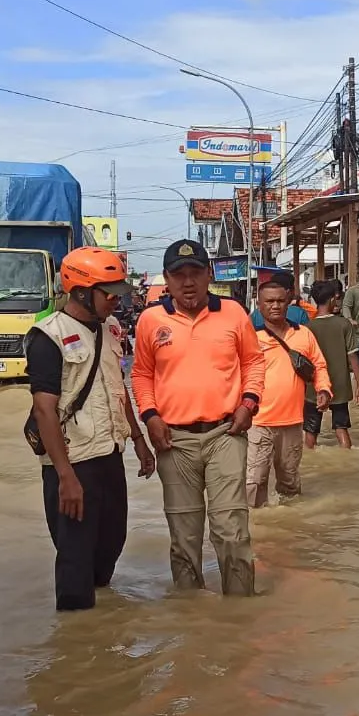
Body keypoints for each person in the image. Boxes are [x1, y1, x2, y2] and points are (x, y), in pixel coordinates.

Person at [131, 239, 267, 595]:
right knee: (184, 536)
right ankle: (191, 624)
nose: (187, 282)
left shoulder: (234, 313)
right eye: (179, 275)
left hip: (226, 432)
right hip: (173, 440)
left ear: (210, 275)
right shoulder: (150, 320)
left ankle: (239, 616)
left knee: (231, 529)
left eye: (195, 273)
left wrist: (249, 403)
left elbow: (254, 361)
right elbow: (141, 373)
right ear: (167, 279)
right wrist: (150, 417)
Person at [26, 247, 155, 611]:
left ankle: (101, 637)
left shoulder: (111, 329)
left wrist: (138, 440)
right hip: (74, 461)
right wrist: (65, 476)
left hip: (109, 454)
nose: (116, 300)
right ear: (82, 292)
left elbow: (118, 389)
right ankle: (75, 638)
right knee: (75, 558)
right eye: (109, 292)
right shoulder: (47, 337)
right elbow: (44, 409)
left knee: (112, 543)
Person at [246, 281, 331, 506]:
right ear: (259, 304)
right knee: (254, 481)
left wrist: (323, 389)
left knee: (289, 481)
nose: (275, 306)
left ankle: (292, 529)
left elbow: (319, 365)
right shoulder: (249, 338)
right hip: (257, 422)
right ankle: (259, 526)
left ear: (289, 302)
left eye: (280, 301)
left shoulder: (304, 334)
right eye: (269, 301)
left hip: (293, 422)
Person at [305, 280, 359, 448]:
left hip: (314, 386)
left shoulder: (308, 327)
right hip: (340, 384)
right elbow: (353, 356)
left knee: (310, 430)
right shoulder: (344, 324)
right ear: (333, 299)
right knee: (341, 427)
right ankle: (347, 460)